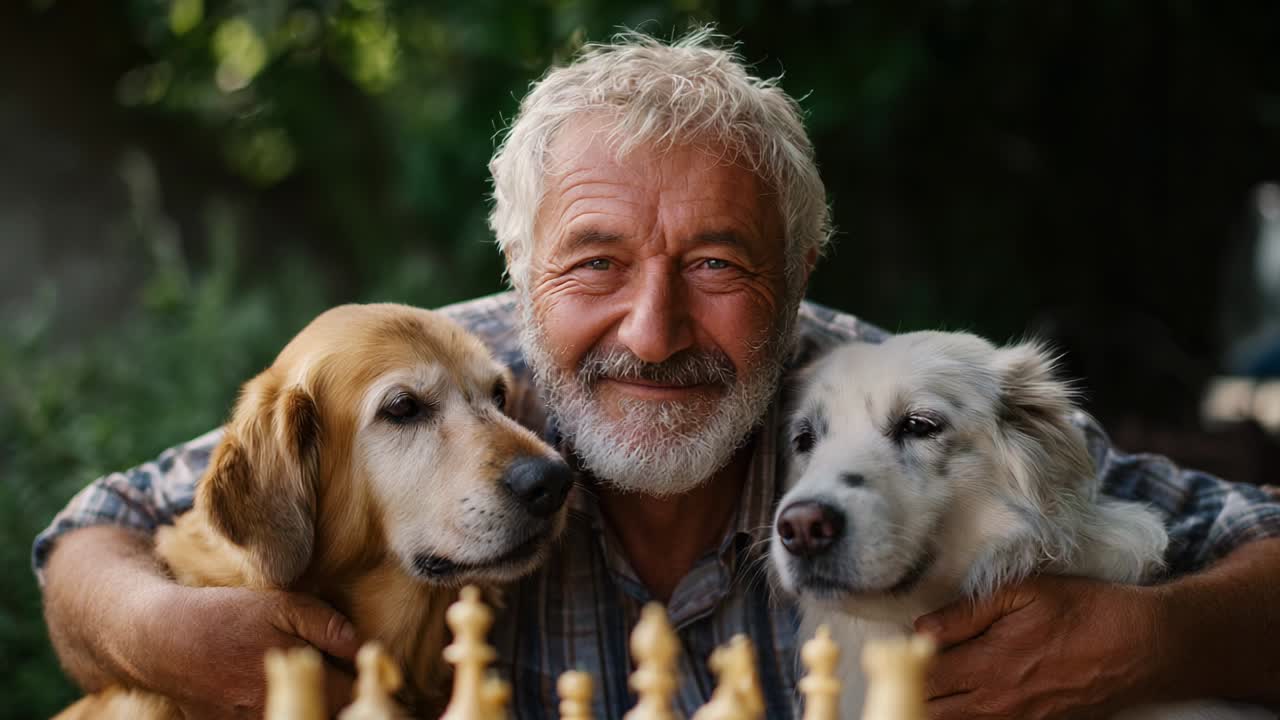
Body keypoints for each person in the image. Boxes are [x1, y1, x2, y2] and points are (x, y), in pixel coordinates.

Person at [35, 28, 1280, 720]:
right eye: (593, 262)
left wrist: (1155, 642)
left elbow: (1254, 544)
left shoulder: (890, 405)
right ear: (519, 278)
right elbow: (94, 533)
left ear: (796, 284)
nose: (651, 324)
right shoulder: (463, 379)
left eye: (719, 263)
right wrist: (160, 628)